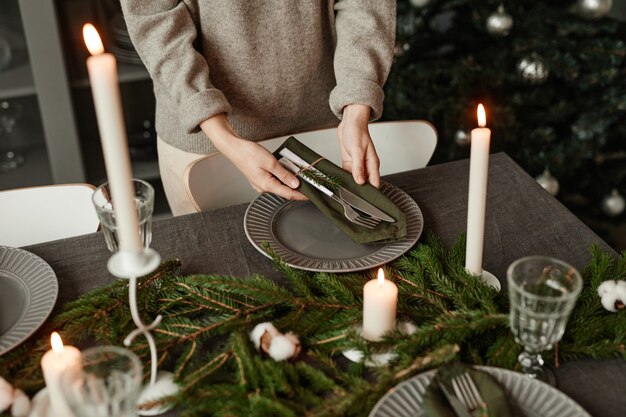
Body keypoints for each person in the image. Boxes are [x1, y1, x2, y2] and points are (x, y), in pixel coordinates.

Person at [120, 0, 397, 216]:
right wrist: (224, 138)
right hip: (207, 142)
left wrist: (356, 106)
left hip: (325, 127)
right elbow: (154, 19)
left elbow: (365, 6)